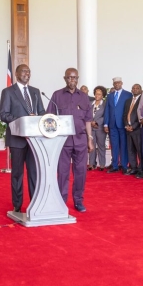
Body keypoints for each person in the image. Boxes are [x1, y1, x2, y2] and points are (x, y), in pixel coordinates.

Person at [47, 68, 95, 212]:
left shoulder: (84, 97)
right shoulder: (57, 95)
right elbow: (50, 118)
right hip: (63, 142)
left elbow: (88, 120)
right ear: (65, 78)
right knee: (63, 172)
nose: (72, 80)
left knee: (80, 172)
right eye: (69, 77)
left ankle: (78, 201)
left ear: (78, 79)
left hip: (80, 140)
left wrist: (90, 139)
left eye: (74, 78)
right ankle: (61, 201)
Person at [0, 64, 45, 213]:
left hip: (35, 141)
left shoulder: (36, 92)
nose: (27, 74)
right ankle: (17, 205)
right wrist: (24, 119)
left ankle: (35, 203)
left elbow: (42, 112)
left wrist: (38, 118)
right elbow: (4, 115)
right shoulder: (8, 92)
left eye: (29, 71)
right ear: (17, 74)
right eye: (24, 71)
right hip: (17, 140)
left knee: (34, 173)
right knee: (17, 174)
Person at [104, 77, 132, 172]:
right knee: (114, 145)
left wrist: (128, 123)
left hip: (123, 124)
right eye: (115, 83)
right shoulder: (110, 96)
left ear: (122, 83)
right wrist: (105, 124)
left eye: (118, 83)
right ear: (113, 84)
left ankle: (124, 165)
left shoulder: (128, 95)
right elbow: (107, 110)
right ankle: (115, 165)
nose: (117, 84)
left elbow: (130, 110)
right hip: (112, 125)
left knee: (124, 145)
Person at [123, 83, 143, 175]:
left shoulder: (142, 100)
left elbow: (142, 115)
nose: (135, 89)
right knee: (130, 150)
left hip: (137, 129)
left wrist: (134, 126)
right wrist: (127, 125)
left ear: (140, 90)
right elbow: (125, 114)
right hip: (128, 129)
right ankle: (133, 167)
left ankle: (141, 168)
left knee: (139, 150)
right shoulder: (128, 100)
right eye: (133, 88)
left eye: (137, 88)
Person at [88, 86, 107, 170]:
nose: (97, 95)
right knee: (91, 145)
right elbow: (86, 114)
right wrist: (91, 122)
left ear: (102, 95)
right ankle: (91, 164)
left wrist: (97, 122)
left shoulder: (105, 104)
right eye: (96, 94)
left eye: (99, 94)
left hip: (100, 128)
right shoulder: (90, 103)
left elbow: (105, 116)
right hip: (90, 128)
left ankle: (102, 164)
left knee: (101, 146)